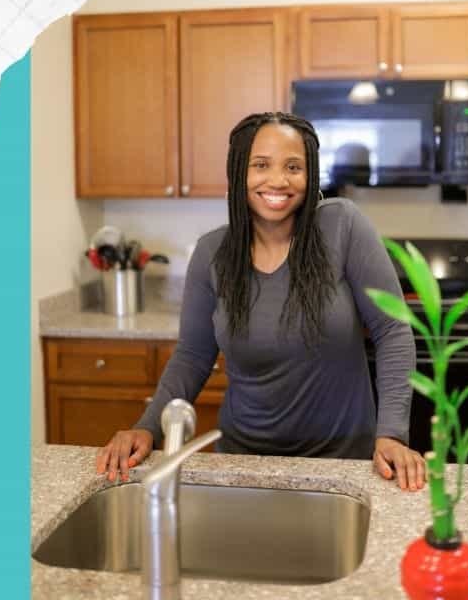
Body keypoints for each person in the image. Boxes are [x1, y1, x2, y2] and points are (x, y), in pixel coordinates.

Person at [95, 112, 426, 491]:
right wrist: (147, 426)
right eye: (261, 165)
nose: (278, 181)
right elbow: (192, 355)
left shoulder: (343, 226)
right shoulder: (212, 253)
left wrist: (393, 433)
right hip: (246, 463)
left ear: (310, 174)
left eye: (293, 167)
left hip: (345, 464)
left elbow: (392, 330)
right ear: (239, 172)